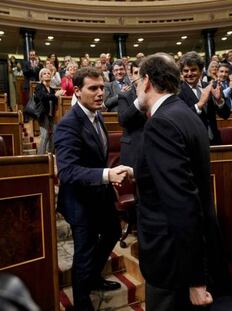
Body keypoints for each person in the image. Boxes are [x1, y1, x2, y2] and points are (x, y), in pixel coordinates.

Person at [132, 53, 226, 310]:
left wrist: (195, 278)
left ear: (148, 80)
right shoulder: (186, 113)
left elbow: (181, 202)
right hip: (188, 252)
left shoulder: (160, 123)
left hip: (172, 260)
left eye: (138, 81)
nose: (137, 88)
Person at [54, 67, 132, 310]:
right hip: (79, 201)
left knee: (111, 234)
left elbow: (97, 157)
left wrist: (108, 177)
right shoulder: (68, 124)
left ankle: (94, 278)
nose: (101, 93)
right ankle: (82, 301)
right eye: (93, 88)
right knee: (84, 254)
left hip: (100, 195)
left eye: (102, 88)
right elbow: (66, 171)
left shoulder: (97, 115)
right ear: (77, 91)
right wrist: (107, 174)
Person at [178, 51, 230, 145]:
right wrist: (199, 105)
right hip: (193, 143)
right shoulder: (177, 92)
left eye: (193, 70)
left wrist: (219, 101)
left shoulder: (209, 87)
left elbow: (225, 115)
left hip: (214, 140)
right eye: (186, 71)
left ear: (201, 71)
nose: (189, 74)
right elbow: (181, 120)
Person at [35, 68, 65, 154]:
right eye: (45, 73)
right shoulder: (39, 87)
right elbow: (43, 97)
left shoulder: (51, 89)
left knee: (53, 135)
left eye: (49, 73)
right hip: (43, 114)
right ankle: (40, 157)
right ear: (41, 77)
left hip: (51, 114)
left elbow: (54, 99)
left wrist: (60, 95)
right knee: (44, 136)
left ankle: (50, 154)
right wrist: (55, 95)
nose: (47, 74)